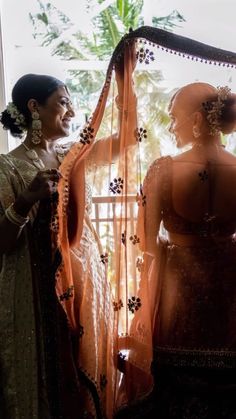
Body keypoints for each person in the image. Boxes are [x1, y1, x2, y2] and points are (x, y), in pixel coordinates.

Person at [0, 46, 137, 419]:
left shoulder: (71, 156)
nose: (72, 112)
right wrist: (27, 199)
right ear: (34, 107)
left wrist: (125, 79)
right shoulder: (7, 167)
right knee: (47, 373)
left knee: (82, 371)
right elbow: (4, 242)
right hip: (35, 288)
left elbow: (126, 142)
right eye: (63, 103)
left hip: (83, 279)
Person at [115, 82, 236, 419]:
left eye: (174, 118)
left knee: (173, 390)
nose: (170, 126)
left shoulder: (163, 170)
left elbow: (145, 239)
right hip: (229, 289)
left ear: (197, 118)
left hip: (178, 293)